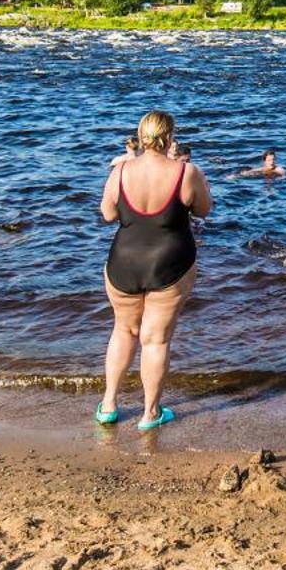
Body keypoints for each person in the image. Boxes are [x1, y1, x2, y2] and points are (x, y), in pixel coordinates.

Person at [98, 110, 210, 430]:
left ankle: (108, 405)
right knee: (155, 340)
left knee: (123, 330)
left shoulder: (120, 171)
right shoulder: (186, 172)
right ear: (170, 136)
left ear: (141, 135)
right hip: (170, 262)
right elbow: (203, 210)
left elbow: (107, 214)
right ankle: (150, 413)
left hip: (124, 260)